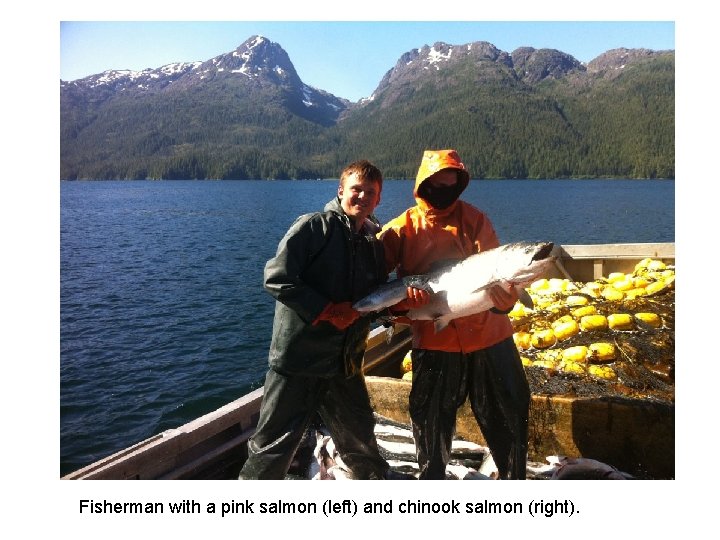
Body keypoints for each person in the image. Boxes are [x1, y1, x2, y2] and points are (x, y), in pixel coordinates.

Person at [379, 149, 531, 480]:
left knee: (510, 414)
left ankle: (515, 485)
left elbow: (501, 293)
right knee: (430, 423)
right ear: (422, 185)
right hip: (435, 343)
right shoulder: (399, 230)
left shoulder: (476, 221)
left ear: (460, 185)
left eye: (452, 185)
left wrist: (507, 299)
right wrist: (399, 307)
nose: (444, 192)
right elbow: (376, 285)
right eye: (437, 185)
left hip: (491, 337)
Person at [238, 160, 391, 480]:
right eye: (356, 190)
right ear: (341, 191)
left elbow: (372, 300)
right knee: (273, 445)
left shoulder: (373, 243)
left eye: (370, 193)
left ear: (378, 199)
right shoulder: (314, 226)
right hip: (298, 362)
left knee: (361, 437)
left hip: (344, 365)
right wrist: (329, 311)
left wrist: (402, 309)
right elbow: (277, 278)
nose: (362, 197)